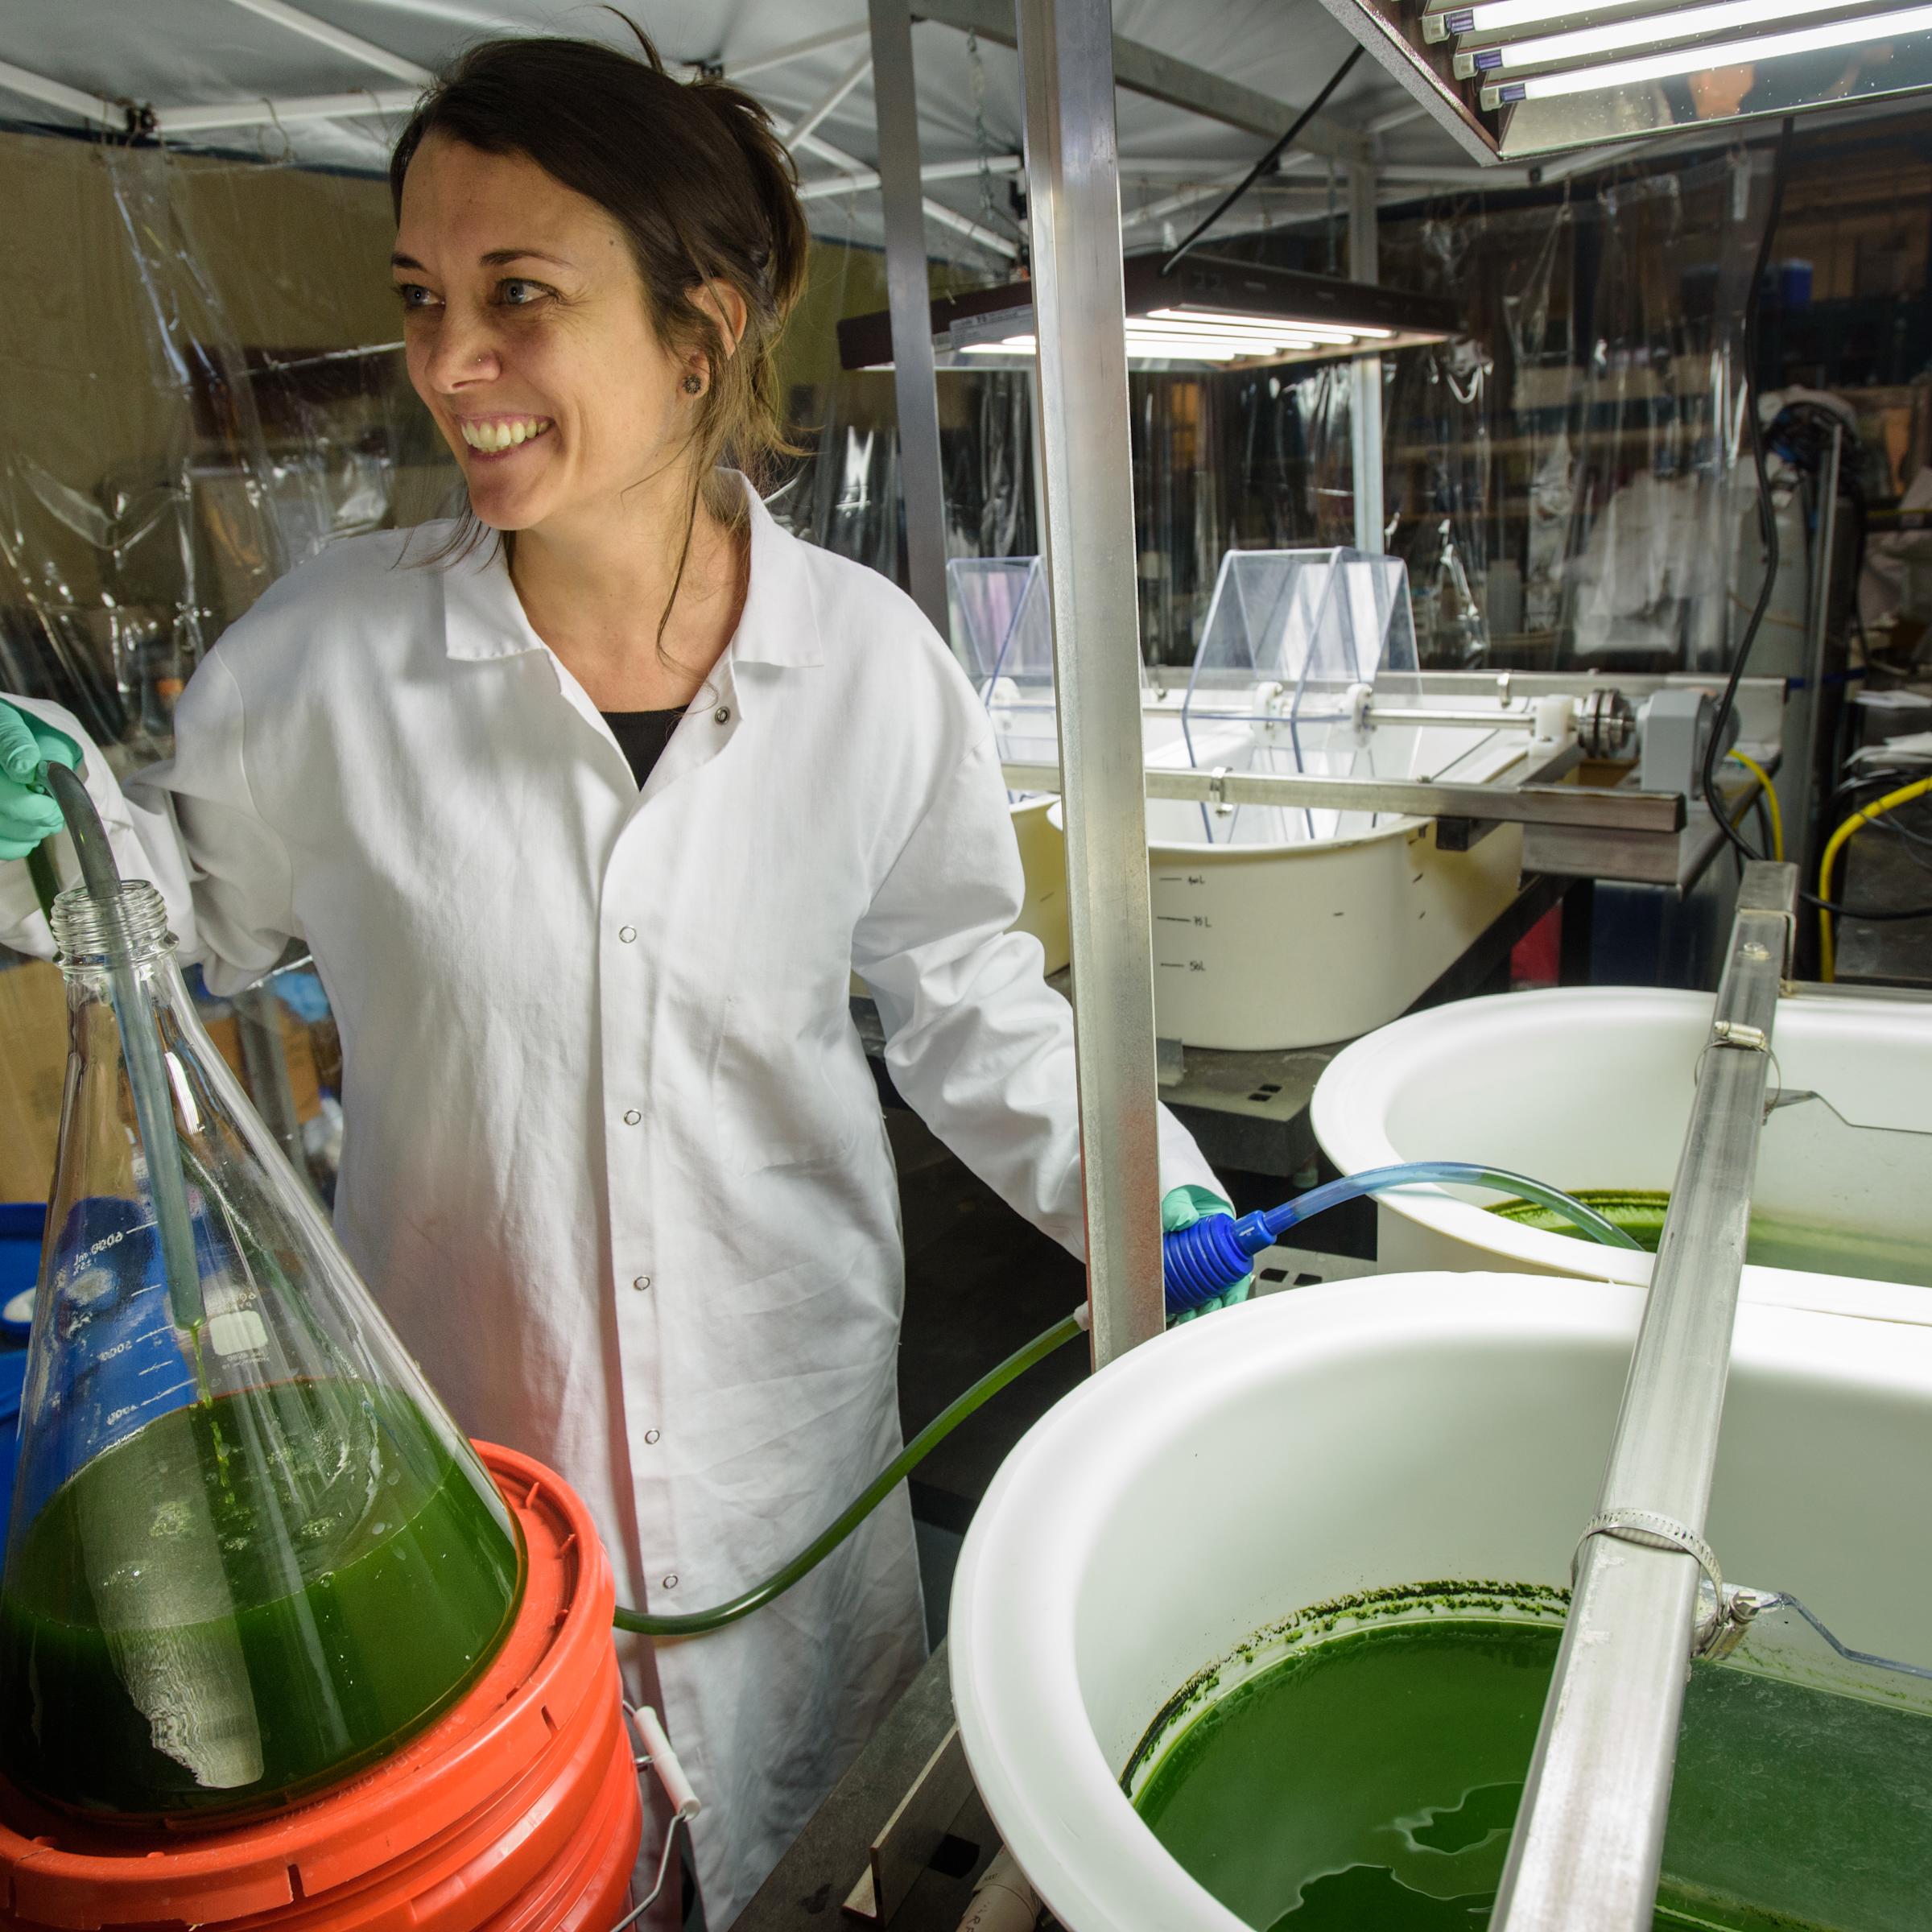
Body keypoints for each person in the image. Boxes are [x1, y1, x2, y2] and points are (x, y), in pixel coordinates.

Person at [0, 30, 1244, 1924]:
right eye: (423, 298)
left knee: (807, 1866)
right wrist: (51, 823)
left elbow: (972, 1004)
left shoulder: (872, 667)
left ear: (699, 331)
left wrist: (1168, 1212)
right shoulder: (325, 664)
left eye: (520, 297)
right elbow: (167, 925)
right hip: (465, 1500)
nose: (447, 364)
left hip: (790, 1486)